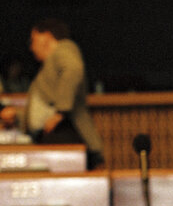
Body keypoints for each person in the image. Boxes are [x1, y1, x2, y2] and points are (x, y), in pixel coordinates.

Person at [0, 19, 104, 169]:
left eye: (33, 40)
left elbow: (74, 69)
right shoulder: (50, 64)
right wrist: (17, 115)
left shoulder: (64, 48)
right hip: (54, 135)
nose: (31, 47)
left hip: (67, 133)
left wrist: (60, 112)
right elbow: (44, 107)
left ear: (46, 37)